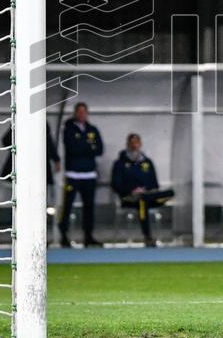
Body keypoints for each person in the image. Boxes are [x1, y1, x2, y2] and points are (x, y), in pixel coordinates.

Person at [110, 134, 174, 247]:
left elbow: (154, 183)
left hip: (148, 195)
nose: (134, 145)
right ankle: (148, 236)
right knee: (142, 202)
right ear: (128, 144)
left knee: (170, 193)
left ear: (140, 144)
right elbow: (116, 185)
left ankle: (145, 197)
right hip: (129, 198)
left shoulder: (147, 162)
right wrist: (133, 190)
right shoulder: (119, 164)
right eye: (132, 143)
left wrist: (145, 190)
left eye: (136, 142)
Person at [58, 102, 104, 247]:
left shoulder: (92, 129)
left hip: (89, 175)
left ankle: (88, 235)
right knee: (68, 206)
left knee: (89, 207)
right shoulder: (68, 128)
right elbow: (72, 148)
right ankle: (64, 235)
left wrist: (83, 146)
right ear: (75, 113)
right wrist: (88, 147)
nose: (82, 114)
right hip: (73, 174)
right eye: (79, 112)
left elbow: (99, 149)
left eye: (84, 112)